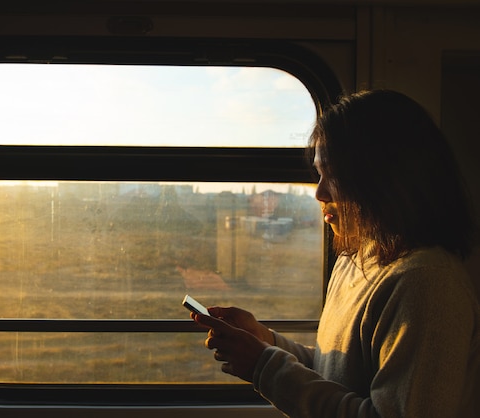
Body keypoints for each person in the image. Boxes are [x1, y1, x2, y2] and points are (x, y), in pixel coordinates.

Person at [192, 89, 480, 417]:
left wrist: (263, 365)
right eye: (319, 174)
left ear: (385, 179)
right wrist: (265, 341)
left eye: (335, 175)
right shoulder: (356, 260)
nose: (319, 192)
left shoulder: (428, 285)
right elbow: (335, 374)